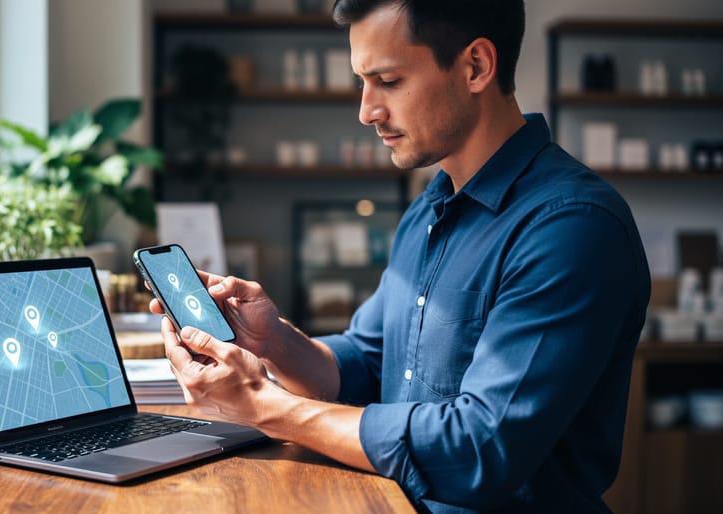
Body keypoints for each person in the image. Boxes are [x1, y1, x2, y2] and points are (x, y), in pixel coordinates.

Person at [152, 1, 651, 511]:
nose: (367, 110)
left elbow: (480, 448)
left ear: (476, 66)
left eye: (387, 81)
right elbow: (368, 364)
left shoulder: (571, 226)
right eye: (362, 82)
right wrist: (275, 340)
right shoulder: (427, 211)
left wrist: (265, 406)